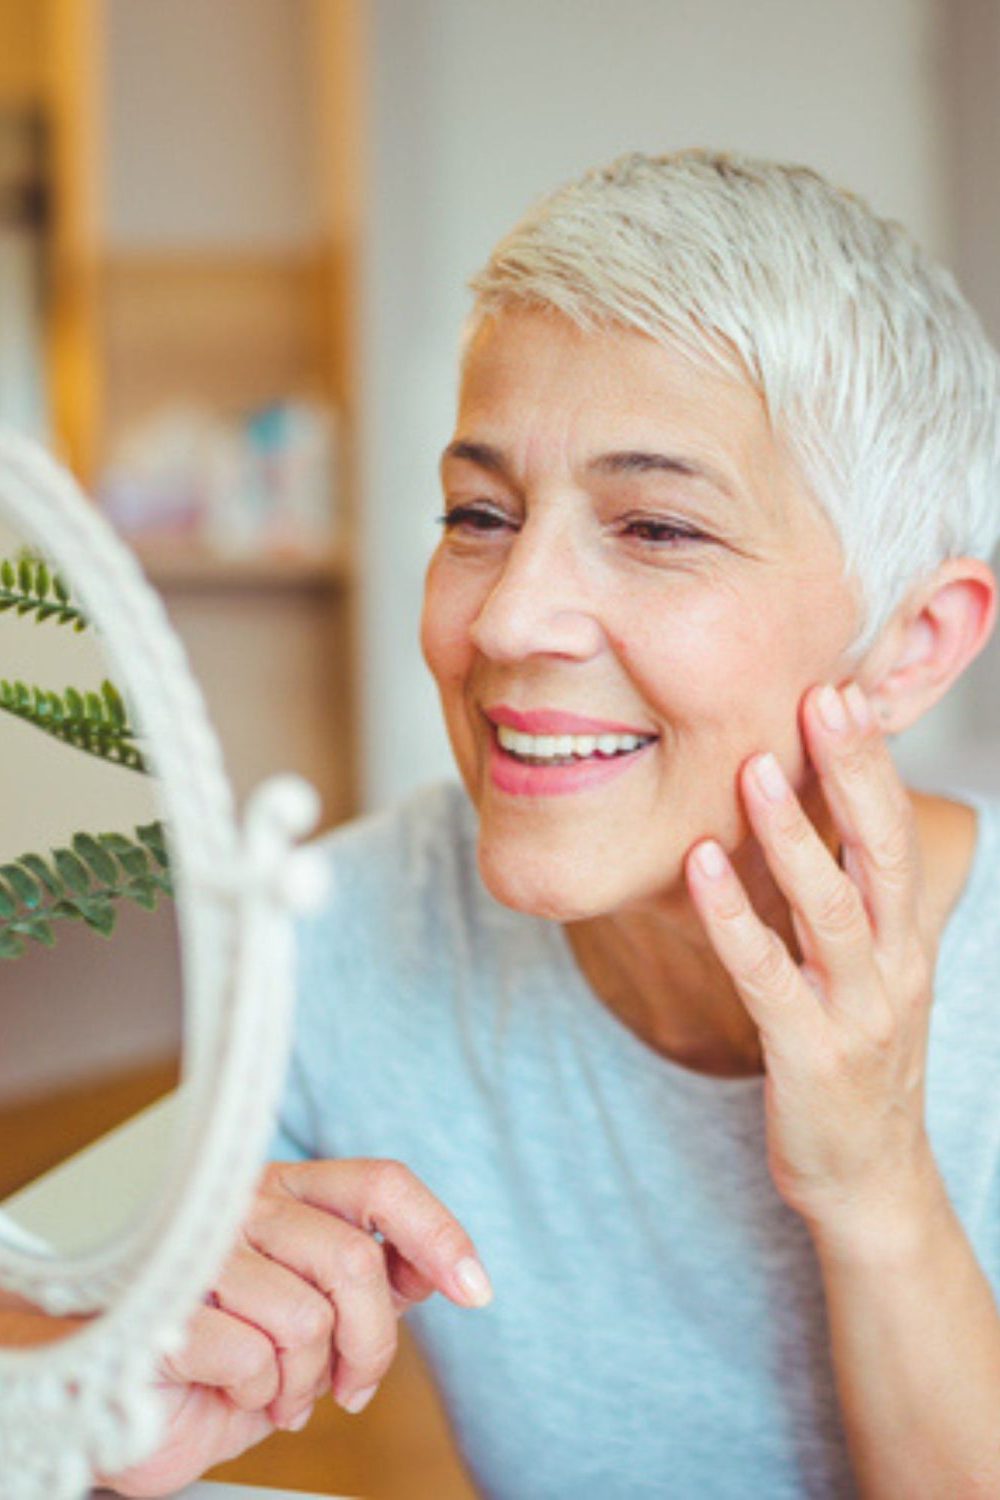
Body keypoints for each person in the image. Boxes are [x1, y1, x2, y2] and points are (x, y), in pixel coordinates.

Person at [108, 150, 1000, 1498]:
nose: (508, 619)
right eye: (479, 514)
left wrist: (877, 1183)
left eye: (655, 527)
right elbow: (77, 1366)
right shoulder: (334, 933)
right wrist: (115, 1422)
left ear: (915, 643)